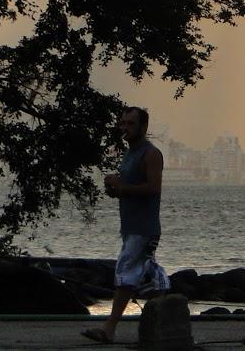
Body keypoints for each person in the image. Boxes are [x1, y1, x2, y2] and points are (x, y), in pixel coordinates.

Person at [83, 106, 170, 344]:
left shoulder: (151, 154)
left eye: (131, 124)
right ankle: (168, 316)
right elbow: (130, 190)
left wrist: (122, 187)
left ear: (143, 127)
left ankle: (109, 328)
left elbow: (153, 188)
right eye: (122, 123)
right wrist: (115, 188)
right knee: (150, 274)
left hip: (144, 228)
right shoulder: (129, 154)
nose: (125, 128)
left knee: (125, 271)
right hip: (130, 227)